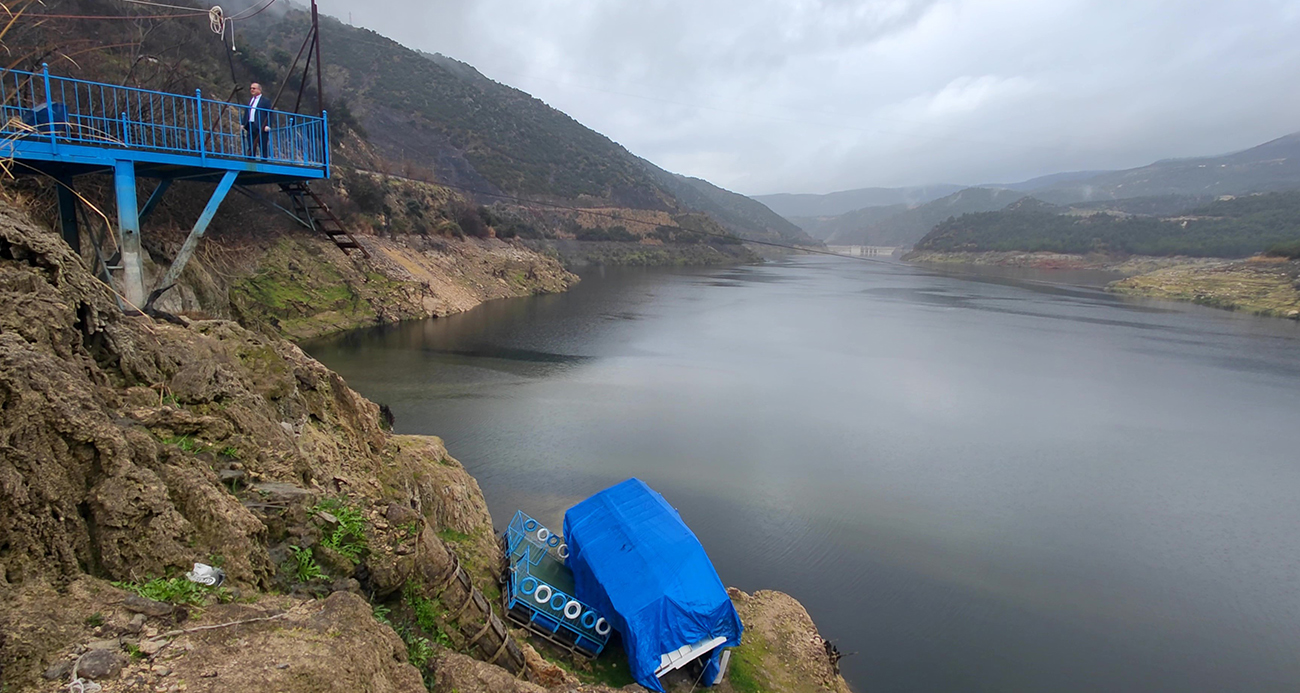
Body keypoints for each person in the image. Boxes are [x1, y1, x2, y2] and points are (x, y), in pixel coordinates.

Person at [243, 82, 272, 159]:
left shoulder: (265, 101)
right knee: (251, 144)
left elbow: (269, 113)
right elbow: (247, 112)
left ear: (259, 89)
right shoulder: (251, 100)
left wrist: (268, 125)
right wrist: (243, 123)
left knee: (263, 144)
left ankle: (264, 161)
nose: (252, 90)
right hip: (250, 125)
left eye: (254, 88)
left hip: (261, 125)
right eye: (251, 88)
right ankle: (251, 159)